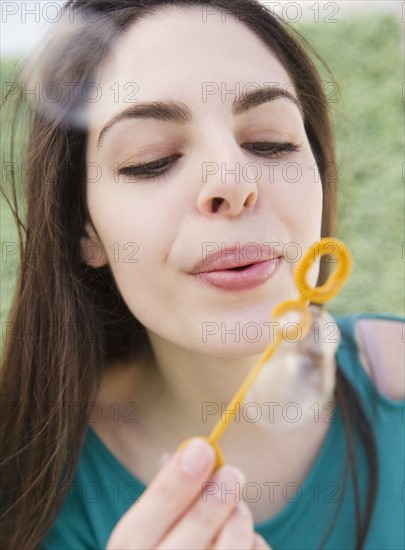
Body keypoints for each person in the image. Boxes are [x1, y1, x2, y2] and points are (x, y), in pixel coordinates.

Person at [0, 1, 403, 549]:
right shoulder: (23, 479)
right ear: (84, 229)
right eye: (152, 159)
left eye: (270, 142)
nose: (232, 180)